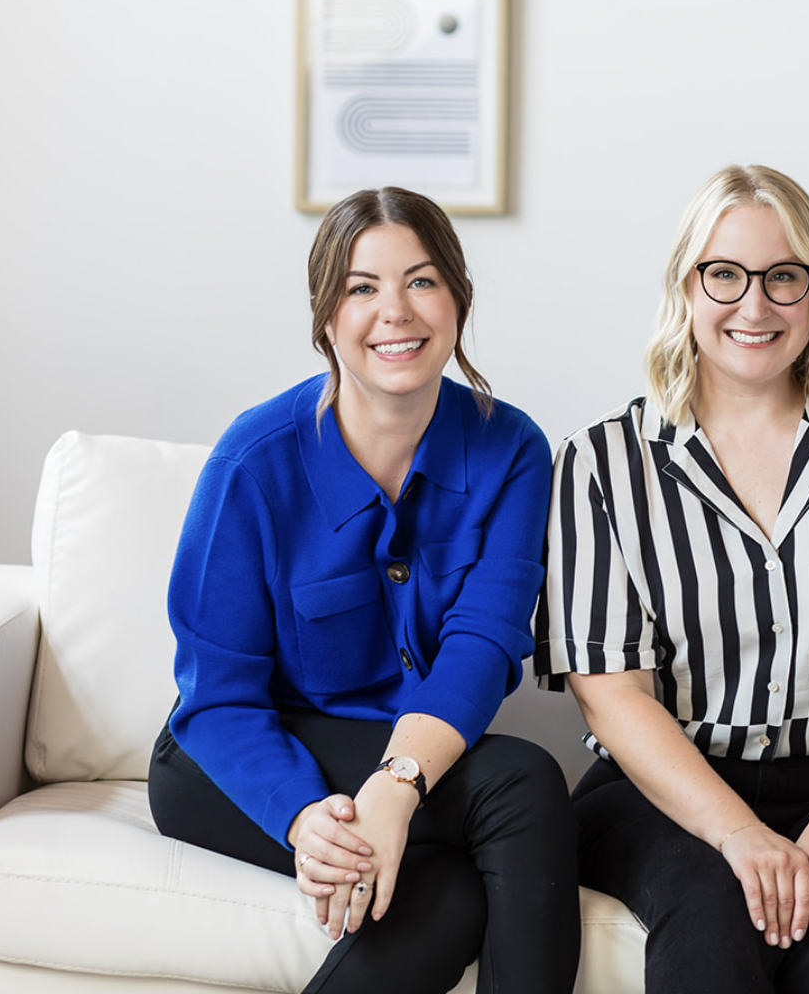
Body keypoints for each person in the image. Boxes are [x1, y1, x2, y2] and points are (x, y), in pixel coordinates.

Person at [535, 165, 809, 994]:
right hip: (664, 785)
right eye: (725, 275)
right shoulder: (602, 462)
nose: (755, 305)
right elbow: (612, 693)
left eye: (784, 276)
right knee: (713, 905)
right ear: (685, 286)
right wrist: (737, 832)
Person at [148, 187, 580, 994]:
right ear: (325, 316)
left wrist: (399, 784)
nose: (396, 312)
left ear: (458, 298)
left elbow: (484, 644)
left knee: (449, 892)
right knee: (520, 782)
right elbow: (217, 696)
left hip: (407, 759)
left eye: (421, 281)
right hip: (231, 752)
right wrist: (308, 817)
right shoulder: (254, 461)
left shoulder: (512, 449)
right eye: (361, 287)